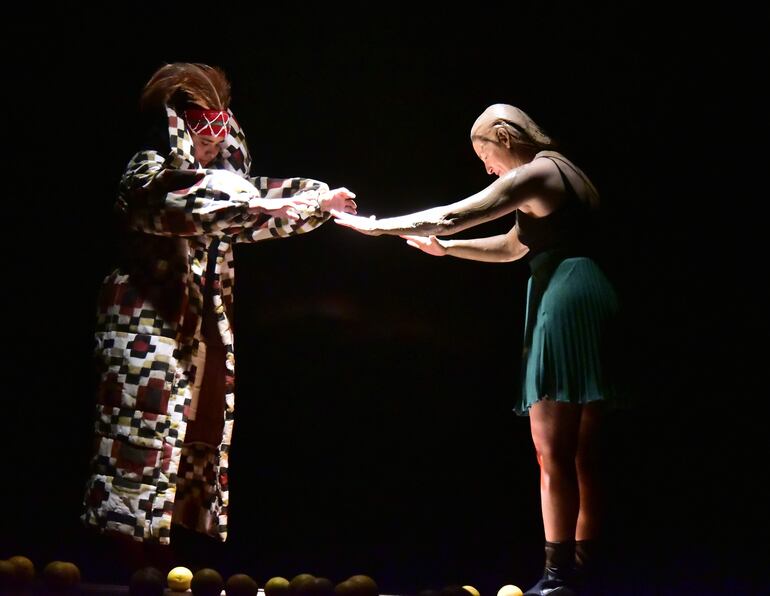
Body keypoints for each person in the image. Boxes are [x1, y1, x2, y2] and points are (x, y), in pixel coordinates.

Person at [332, 104, 622, 595]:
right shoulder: (566, 173)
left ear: (506, 137)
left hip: (564, 296)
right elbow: (513, 246)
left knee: (552, 451)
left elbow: (456, 213)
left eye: (486, 154)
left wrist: (378, 227)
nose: (487, 167)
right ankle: (585, 570)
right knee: (584, 456)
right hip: (592, 291)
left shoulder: (538, 171)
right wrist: (445, 250)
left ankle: (558, 577)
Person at [80, 62, 357, 572]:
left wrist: (317, 199)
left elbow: (246, 205)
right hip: (144, 330)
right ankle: (132, 570)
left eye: (219, 130)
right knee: (138, 451)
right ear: (180, 126)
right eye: (201, 131)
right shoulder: (148, 173)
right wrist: (260, 204)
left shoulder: (223, 184)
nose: (211, 142)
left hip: (195, 329)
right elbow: (193, 201)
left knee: (184, 447)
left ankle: (161, 568)